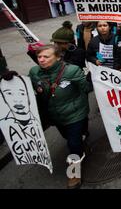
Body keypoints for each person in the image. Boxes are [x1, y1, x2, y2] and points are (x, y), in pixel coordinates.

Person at [28, 45, 90, 188]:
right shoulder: (34, 72)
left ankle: (74, 174)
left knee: (73, 144)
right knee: (69, 138)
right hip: (54, 115)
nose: (41, 60)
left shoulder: (72, 70)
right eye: (39, 57)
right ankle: (82, 143)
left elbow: (86, 88)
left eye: (46, 57)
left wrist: (83, 80)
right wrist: (11, 78)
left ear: (57, 57)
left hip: (76, 113)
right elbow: (25, 88)